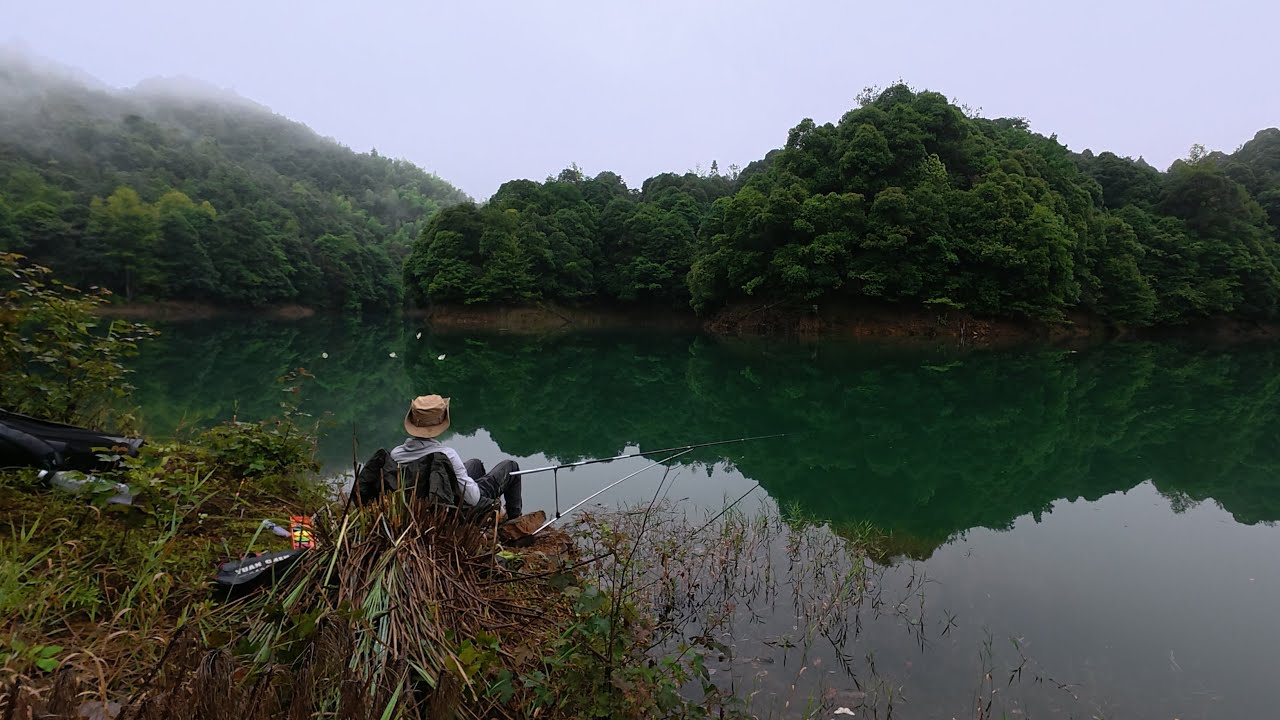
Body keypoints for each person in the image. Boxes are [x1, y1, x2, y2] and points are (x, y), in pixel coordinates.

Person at [389, 394, 522, 520]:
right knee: (511, 466)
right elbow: (473, 498)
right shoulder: (447, 455)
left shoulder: (396, 454)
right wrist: (475, 485)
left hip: (424, 503)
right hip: (454, 508)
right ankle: (514, 518)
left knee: (474, 464)